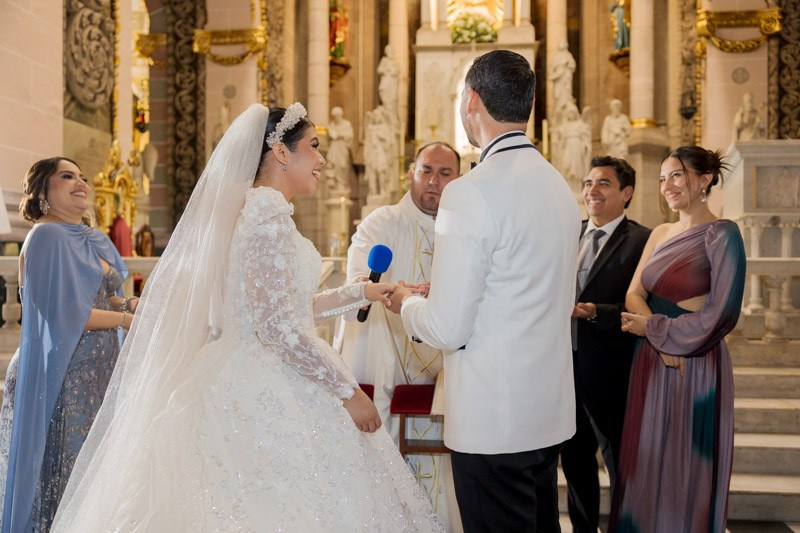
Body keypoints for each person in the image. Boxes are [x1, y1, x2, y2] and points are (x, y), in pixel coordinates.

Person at [51, 103, 442, 532]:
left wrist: (364, 292)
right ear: (281, 152)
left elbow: (287, 308)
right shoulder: (266, 217)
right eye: (313, 147)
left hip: (258, 362)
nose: (322, 159)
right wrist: (347, 392)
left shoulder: (261, 212)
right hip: (264, 377)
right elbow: (276, 328)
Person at [388, 50, 581, 531]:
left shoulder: (470, 191)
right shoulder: (559, 185)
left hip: (493, 418)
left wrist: (407, 303)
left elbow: (447, 328)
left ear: (471, 99)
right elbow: (539, 292)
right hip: (548, 410)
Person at [610, 146, 746, 532]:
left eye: (676, 175)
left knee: (684, 465)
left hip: (696, 361)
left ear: (705, 180)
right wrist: (658, 337)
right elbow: (634, 293)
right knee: (646, 458)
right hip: (652, 359)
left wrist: (662, 334)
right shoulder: (659, 233)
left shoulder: (723, 234)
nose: (667, 185)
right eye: (662, 178)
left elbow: (722, 312)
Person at [1, 157, 134, 532]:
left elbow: (102, 298)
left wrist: (128, 304)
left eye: (82, 177)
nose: (81, 183)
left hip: (95, 375)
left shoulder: (88, 238)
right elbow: (65, 313)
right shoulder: (46, 236)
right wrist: (127, 321)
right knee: (66, 474)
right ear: (43, 191)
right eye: (67, 176)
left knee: (91, 474)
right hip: (63, 376)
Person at [335, 141, 461, 529]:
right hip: (386, 355)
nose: (434, 181)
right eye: (426, 171)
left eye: (445, 173)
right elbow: (359, 272)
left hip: (447, 362)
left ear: (458, 180)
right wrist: (378, 286)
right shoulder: (383, 221)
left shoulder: (465, 230)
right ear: (411, 174)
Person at [560, 156, 650, 533]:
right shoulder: (567, 233)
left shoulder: (643, 240)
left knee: (621, 466)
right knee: (575, 463)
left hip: (613, 372)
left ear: (627, 193)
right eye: (588, 183)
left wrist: (598, 312)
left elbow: (646, 303)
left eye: (604, 183)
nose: (592, 190)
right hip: (563, 369)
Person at [325, 106, 354, 196]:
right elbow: (328, 138)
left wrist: (339, 135)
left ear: (340, 115)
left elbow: (350, 135)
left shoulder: (346, 124)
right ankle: (336, 185)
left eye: (337, 116)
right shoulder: (332, 124)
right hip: (334, 148)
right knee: (334, 164)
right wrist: (329, 134)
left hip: (342, 148)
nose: (335, 118)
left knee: (342, 166)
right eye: (334, 116)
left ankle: (342, 185)